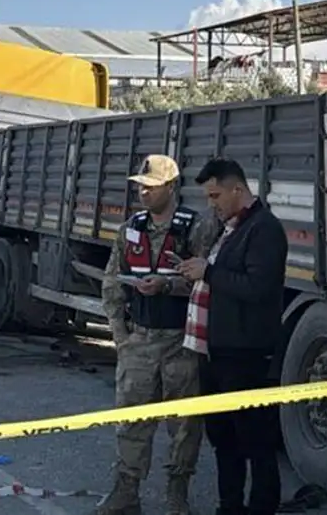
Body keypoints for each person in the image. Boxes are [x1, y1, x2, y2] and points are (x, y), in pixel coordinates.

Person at [95, 154, 219, 515]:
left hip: (181, 342)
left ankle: (176, 493)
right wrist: (120, 335)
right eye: (139, 186)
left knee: (184, 425)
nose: (142, 193)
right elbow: (112, 283)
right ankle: (126, 491)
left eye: (150, 187)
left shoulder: (197, 228)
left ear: (171, 187)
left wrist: (168, 284)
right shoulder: (130, 229)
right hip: (140, 340)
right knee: (131, 419)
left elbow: (207, 281)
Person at [176, 157, 288, 515]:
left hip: (247, 356)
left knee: (256, 441)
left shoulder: (264, 229)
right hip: (217, 352)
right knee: (224, 439)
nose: (212, 204)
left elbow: (257, 287)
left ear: (237, 189)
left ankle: (261, 507)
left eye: (215, 196)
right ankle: (230, 507)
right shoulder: (229, 229)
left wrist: (207, 272)